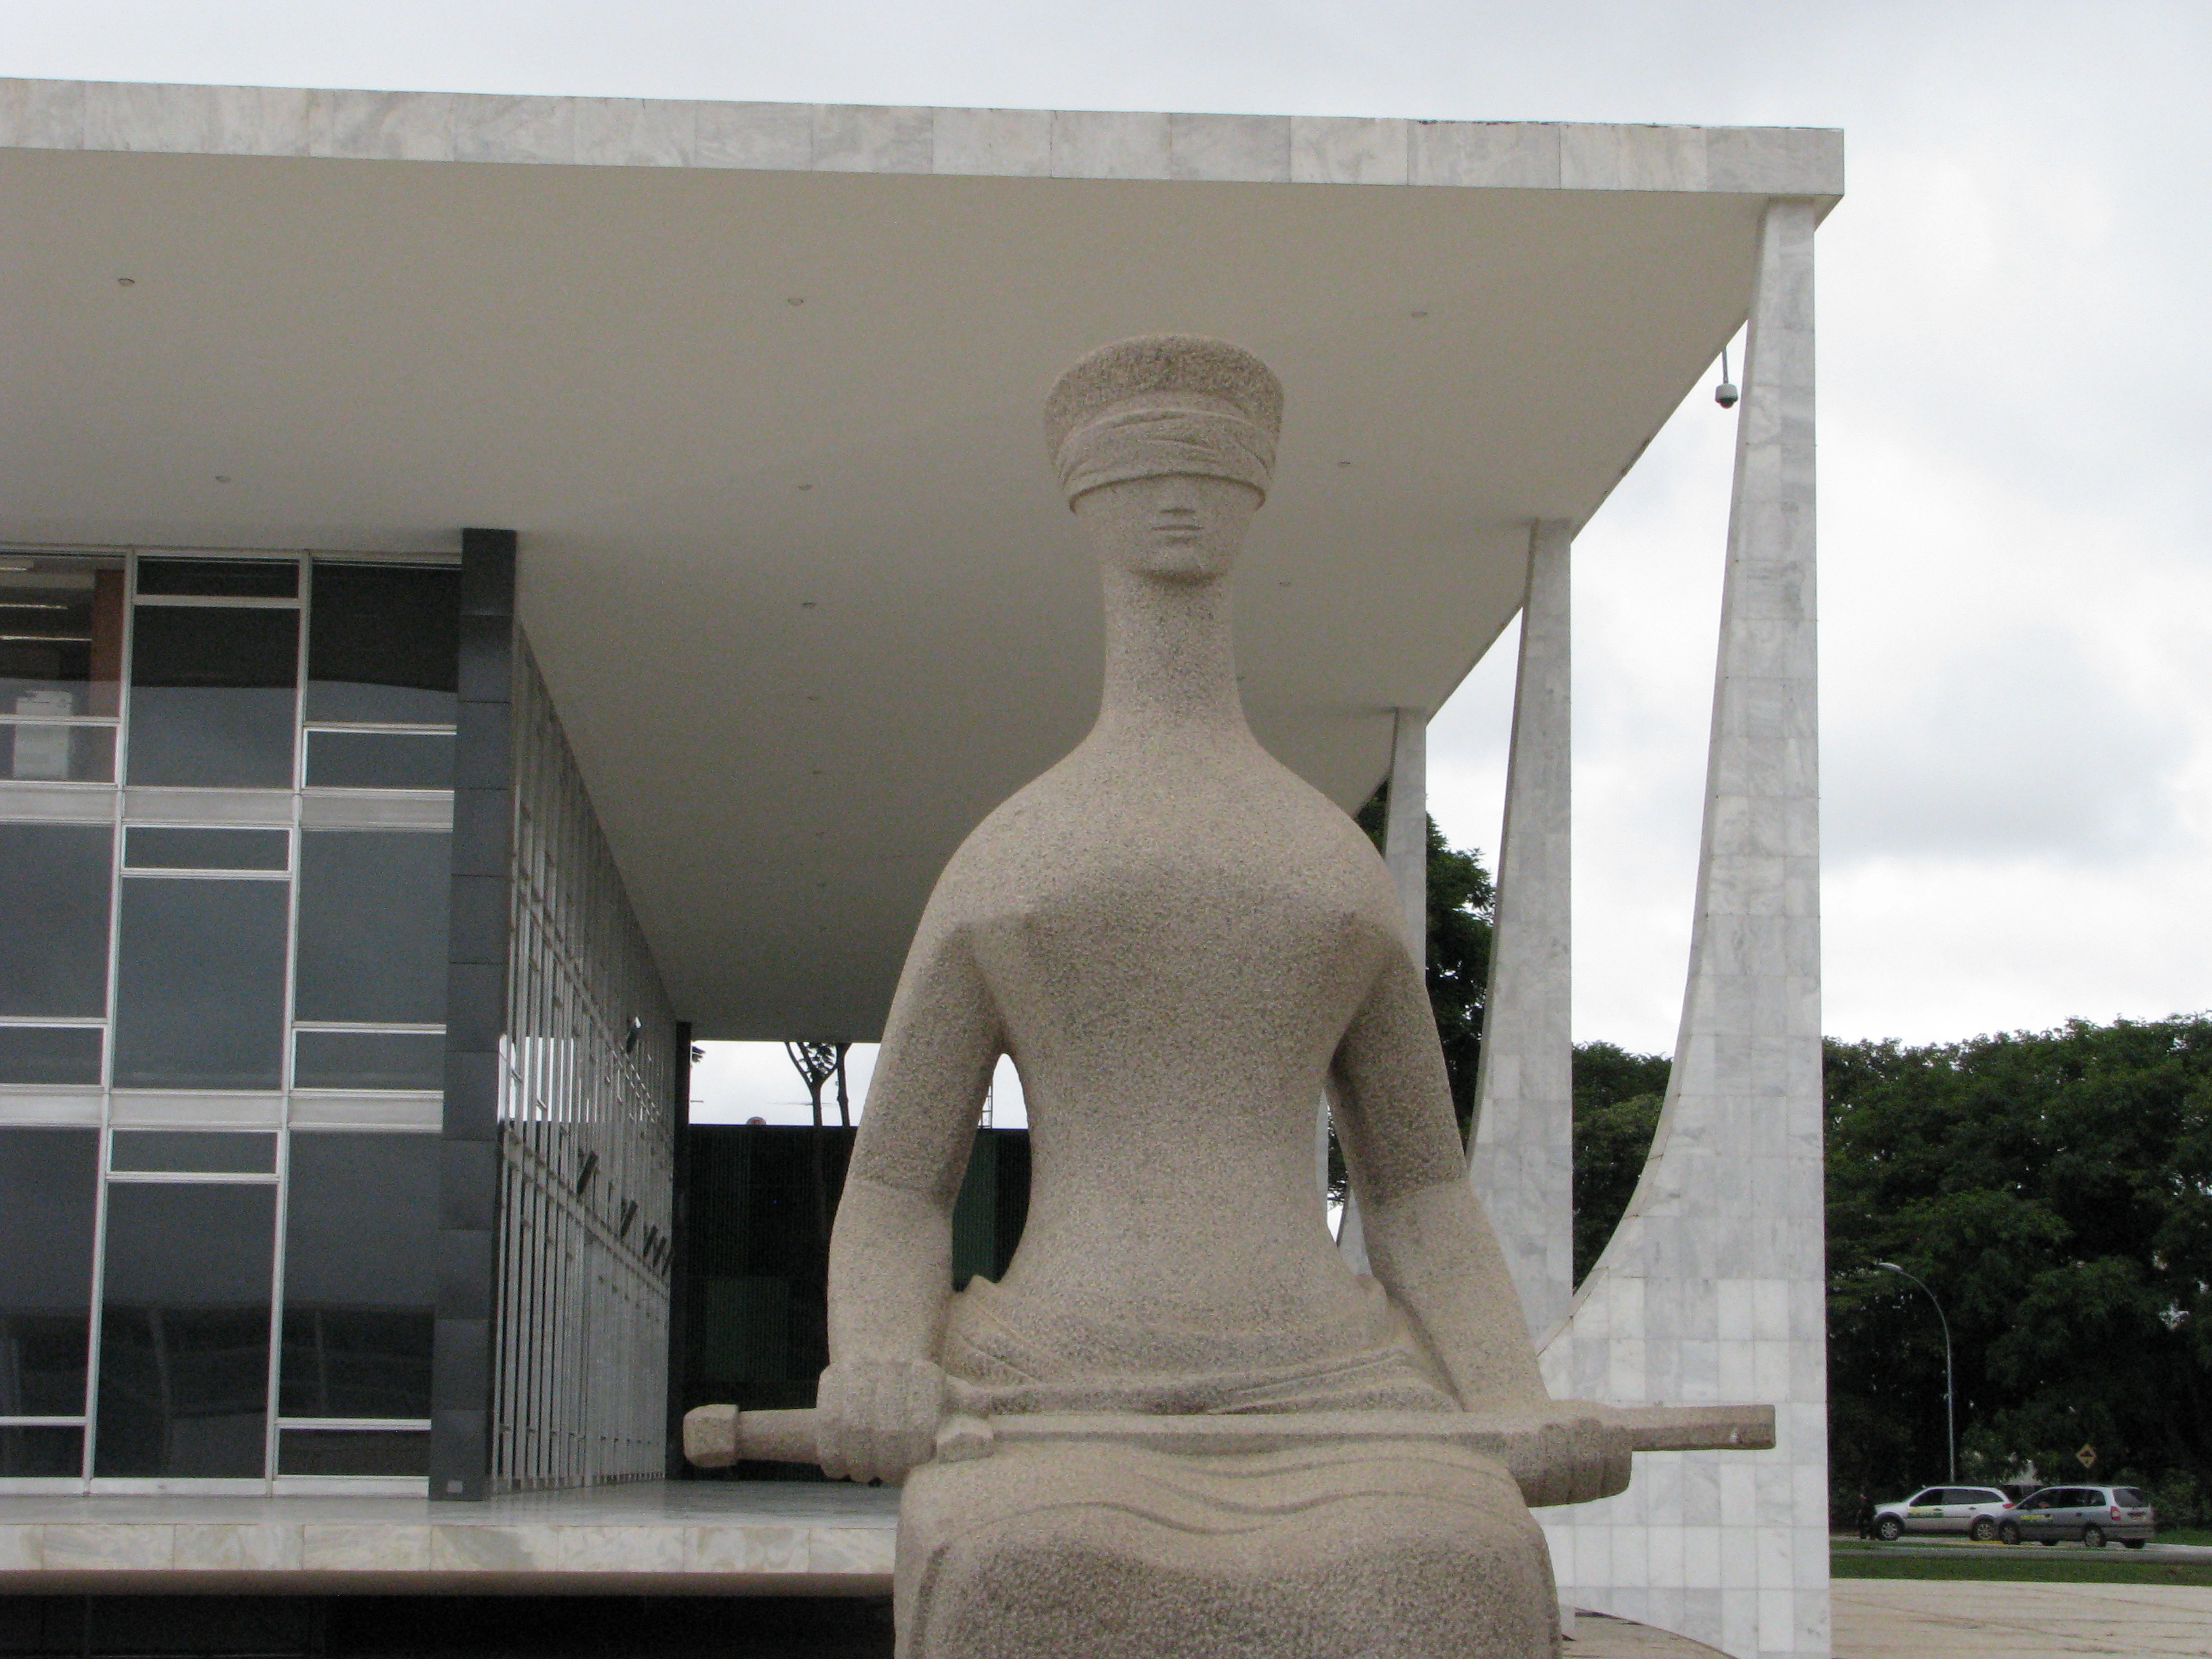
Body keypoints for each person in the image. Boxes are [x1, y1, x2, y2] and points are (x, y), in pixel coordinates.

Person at [813, 335, 1604, 1658]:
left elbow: (1420, 1191)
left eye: (1210, 468)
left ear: (1257, 497)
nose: (1177, 497)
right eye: (1144, 468)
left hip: (1337, 1387)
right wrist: (882, 1359)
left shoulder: (1328, 865)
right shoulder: (1013, 859)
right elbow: (897, 1186)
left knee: (1464, 1567)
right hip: (1048, 1390)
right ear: (1084, 501)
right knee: (1022, 1575)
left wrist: (1510, 1395)